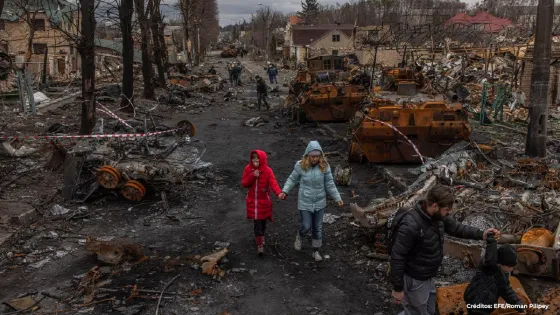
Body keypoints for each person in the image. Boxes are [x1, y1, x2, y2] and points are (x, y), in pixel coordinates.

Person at [390, 184, 500, 315]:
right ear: (435, 206)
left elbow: (456, 228)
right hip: (415, 279)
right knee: (416, 312)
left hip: (428, 276)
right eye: (447, 209)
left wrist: (482, 234)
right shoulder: (410, 225)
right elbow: (397, 257)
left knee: (429, 309)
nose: (449, 212)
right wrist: (398, 288)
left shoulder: (438, 217)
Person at [279, 140, 343, 262]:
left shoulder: (324, 166)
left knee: (317, 227)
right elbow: (292, 179)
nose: (315, 159)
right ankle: (300, 235)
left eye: (317, 156)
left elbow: (330, 184)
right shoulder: (300, 166)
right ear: (308, 155)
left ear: (320, 156)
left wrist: (338, 198)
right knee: (307, 225)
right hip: (305, 201)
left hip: (319, 202)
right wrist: (284, 191)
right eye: (313, 156)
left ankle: (316, 251)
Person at [464, 234, 526, 315]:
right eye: (509, 266)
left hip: (485, 305)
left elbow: (506, 291)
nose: (511, 269)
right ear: (500, 264)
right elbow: (490, 259)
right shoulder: (489, 268)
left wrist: (519, 305)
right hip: (477, 305)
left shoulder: (502, 273)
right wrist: (492, 242)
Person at [241, 150, 283, 256]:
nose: (255, 160)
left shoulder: (267, 171)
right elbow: (244, 183)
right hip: (253, 203)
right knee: (257, 223)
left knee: (263, 222)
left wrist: (279, 193)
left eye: (257, 158)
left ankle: (262, 236)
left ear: (262, 159)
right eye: (253, 158)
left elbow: (273, 183)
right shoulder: (248, 169)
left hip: (264, 202)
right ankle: (260, 244)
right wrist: (252, 175)